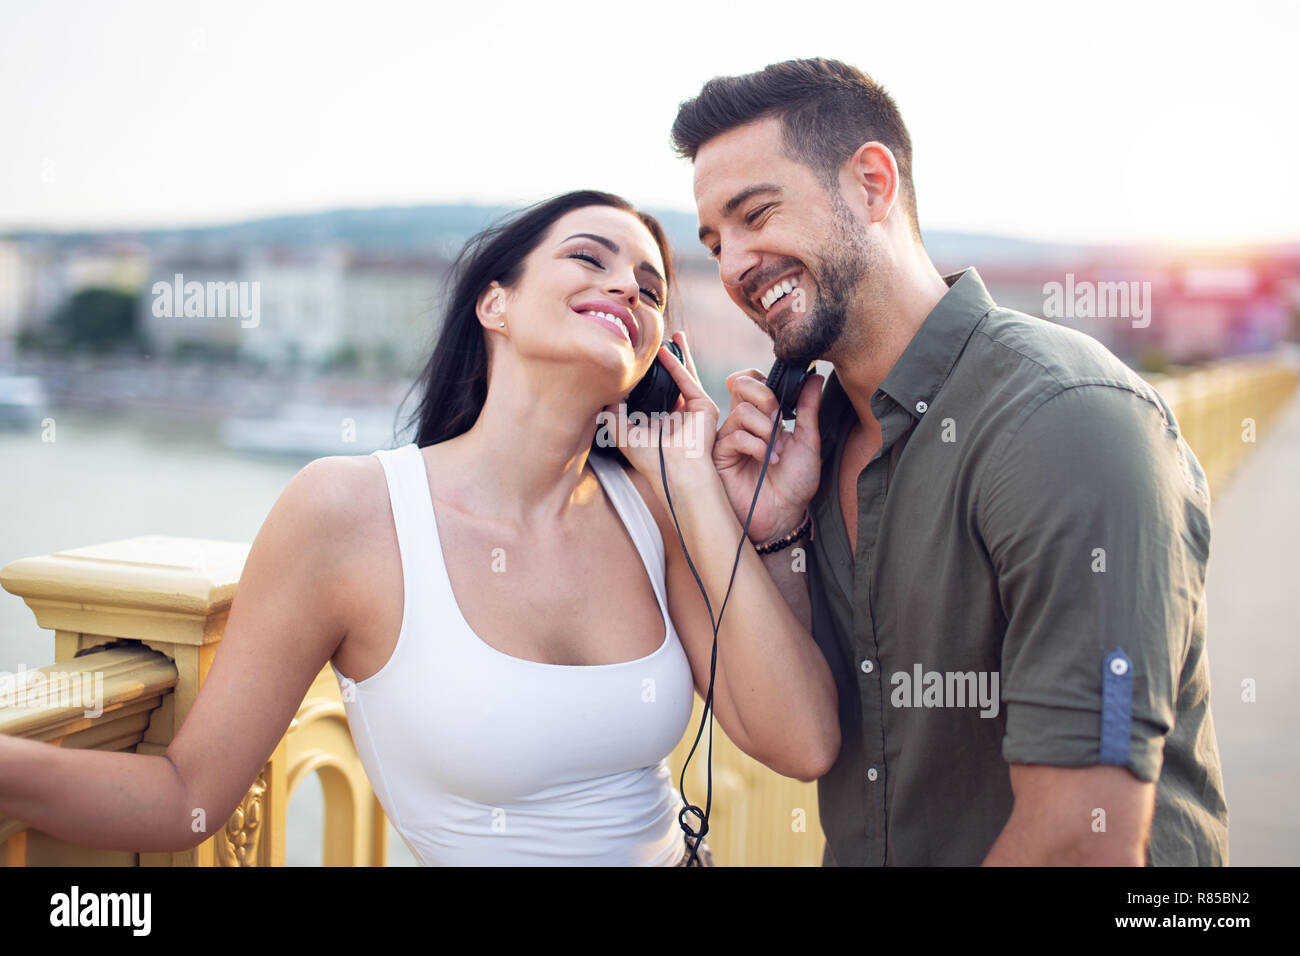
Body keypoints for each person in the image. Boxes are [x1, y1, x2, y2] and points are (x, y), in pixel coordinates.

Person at [0, 189, 840, 866]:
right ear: (495, 303)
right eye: (591, 257)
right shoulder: (347, 514)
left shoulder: (653, 506)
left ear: (661, 349)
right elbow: (186, 794)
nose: (628, 286)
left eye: (652, 289)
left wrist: (711, 493)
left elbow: (799, 740)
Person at [672, 58, 1229, 865]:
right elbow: (810, 737)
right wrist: (777, 532)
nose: (733, 266)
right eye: (716, 242)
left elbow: (1080, 839)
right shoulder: (812, 448)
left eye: (756, 214)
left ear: (871, 183)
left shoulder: (1064, 419)